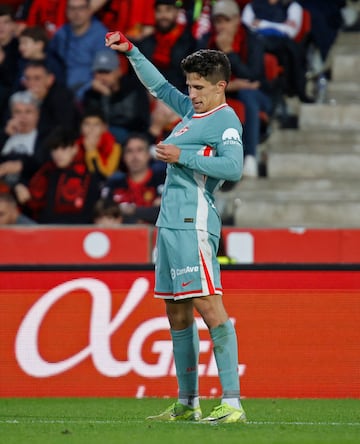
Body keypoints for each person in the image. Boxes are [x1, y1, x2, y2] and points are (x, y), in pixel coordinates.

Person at [105, 29, 246, 423]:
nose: (192, 93)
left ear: (220, 87)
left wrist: (181, 156)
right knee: (176, 312)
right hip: (169, 226)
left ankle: (232, 403)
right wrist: (131, 51)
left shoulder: (225, 120)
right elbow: (158, 86)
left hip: (193, 223)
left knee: (209, 306)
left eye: (199, 87)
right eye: (190, 86)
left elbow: (233, 168)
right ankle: (187, 403)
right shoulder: (192, 113)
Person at [209, 0, 273, 177]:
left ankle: (250, 157)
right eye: (217, 21)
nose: (221, 26)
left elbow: (253, 76)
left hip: (259, 95)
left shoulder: (253, 40)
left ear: (237, 19)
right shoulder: (207, 41)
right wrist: (228, 86)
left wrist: (229, 53)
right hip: (224, 93)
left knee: (248, 94)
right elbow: (199, 76)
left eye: (226, 21)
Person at [15, 125, 101, 224]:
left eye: (63, 149)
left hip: (77, 230)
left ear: (74, 149)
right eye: (55, 149)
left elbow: (91, 211)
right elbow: (33, 205)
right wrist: (19, 187)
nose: (58, 154)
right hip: (45, 229)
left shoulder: (88, 177)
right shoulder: (45, 173)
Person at [137, 0, 196, 142]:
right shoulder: (146, 43)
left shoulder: (189, 43)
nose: (163, 15)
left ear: (176, 12)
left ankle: (154, 142)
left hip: (178, 96)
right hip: (149, 97)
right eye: (160, 11)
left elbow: (192, 76)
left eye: (168, 10)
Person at [242, 0, 314, 102]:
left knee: (293, 50)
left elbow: (290, 31)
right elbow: (247, 26)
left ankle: (297, 90)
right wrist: (279, 27)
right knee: (256, 43)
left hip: (282, 44)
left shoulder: (292, 6)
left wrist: (262, 24)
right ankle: (255, 82)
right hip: (257, 42)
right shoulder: (252, 6)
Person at [48, 0, 112, 103]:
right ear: (67, 11)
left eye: (81, 8)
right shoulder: (61, 34)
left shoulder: (101, 35)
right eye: (72, 9)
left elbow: (105, 72)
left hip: (89, 95)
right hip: (62, 92)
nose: (76, 13)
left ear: (89, 10)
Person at [82, 49, 150, 144]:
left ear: (118, 71)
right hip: (102, 139)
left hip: (133, 137)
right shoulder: (91, 95)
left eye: (107, 72)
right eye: (99, 72)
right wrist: (105, 96)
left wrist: (108, 96)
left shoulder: (133, 89)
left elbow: (140, 121)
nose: (102, 77)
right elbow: (98, 123)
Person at [101, 132, 165, 225]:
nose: (134, 156)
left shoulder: (163, 181)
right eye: (129, 151)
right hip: (122, 237)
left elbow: (167, 213)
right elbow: (104, 215)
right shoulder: (113, 183)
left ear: (148, 154)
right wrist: (147, 213)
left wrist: (132, 211)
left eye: (139, 150)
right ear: (124, 157)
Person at [20, 60, 79, 137]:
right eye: (27, 78)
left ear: (50, 79)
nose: (31, 83)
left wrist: (39, 102)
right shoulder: (21, 96)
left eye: (37, 78)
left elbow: (64, 130)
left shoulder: (61, 97)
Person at [0, 90, 45, 188]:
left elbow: (41, 163)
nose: (23, 117)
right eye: (17, 112)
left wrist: (19, 165)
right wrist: (5, 135)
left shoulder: (44, 138)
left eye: (28, 112)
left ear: (37, 114)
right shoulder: (4, 135)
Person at [77, 109, 121, 179]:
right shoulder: (75, 146)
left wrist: (91, 151)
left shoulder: (114, 146)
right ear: (81, 128)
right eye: (87, 124)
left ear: (104, 128)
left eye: (96, 125)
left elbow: (106, 174)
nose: (91, 129)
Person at [0, 4, 21, 125]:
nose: (1, 27)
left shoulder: (20, 48)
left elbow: (15, 81)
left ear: (13, 25)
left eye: (6, 22)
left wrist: (2, 62)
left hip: (9, 102)